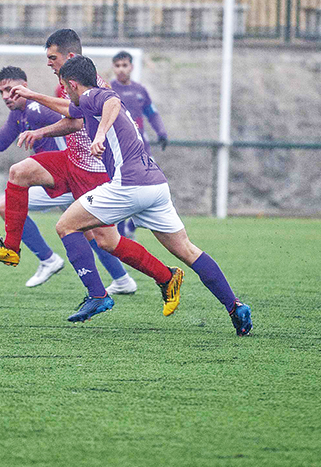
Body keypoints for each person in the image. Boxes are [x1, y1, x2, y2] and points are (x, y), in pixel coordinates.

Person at [27, 54, 252, 334]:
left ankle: (98, 296)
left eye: (62, 85)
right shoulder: (87, 102)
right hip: (155, 185)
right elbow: (70, 111)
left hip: (128, 184)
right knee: (187, 249)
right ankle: (235, 306)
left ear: (72, 84)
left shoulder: (98, 95)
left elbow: (110, 101)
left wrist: (99, 136)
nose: (63, 91)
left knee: (66, 225)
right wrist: (32, 95)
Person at [0, 29, 181, 308]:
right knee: (19, 173)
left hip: (94, 171)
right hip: (71, 161)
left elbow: (81, 121)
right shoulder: (64, 84)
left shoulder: (91, 84)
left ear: (69, 56)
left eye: (52, 58)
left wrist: (38, 114)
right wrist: (41, 133)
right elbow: (72, 120)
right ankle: (12, 249)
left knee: (107, 241)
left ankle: (163, 276)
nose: (48, 63)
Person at [0, 66, 129, 288]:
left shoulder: (37, 109)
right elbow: (0, 142)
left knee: (5, 205)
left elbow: (75, 120)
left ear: (23, 87)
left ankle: (48, 259)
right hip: (58, 181)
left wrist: (45, 133)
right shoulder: (18, 114)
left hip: (68, 179)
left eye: (9, 90)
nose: (5, 96)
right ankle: (123, 280)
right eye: (0, 92)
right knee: (94, 235)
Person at [111, 50, 168, 238]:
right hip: (118, 150)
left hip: (142, 149)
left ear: (132, 67)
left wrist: (161, 131)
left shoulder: (140, 90)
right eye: (117, 65)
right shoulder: (108, 90)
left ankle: (131, 227)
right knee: (120, 191)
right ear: (113, 67)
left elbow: (152, 112)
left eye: (124, 65)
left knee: (152, 187)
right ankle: (120, 235)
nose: (121, 69)